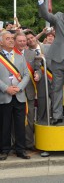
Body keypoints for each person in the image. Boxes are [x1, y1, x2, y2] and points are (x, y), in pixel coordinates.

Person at [0, 31, 30, 160]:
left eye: (12, 38)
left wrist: (19, 87)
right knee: (4, 125)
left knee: (19, 125)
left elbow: (26, 75)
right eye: (8, 38)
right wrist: (6, 88)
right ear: (1, 42)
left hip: (19, 95)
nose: (11, 40)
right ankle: (4, 150)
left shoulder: (20, 57)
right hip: (4, 95)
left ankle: (20, 150)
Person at [13, 32, 42, 150]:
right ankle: (15, 144)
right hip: (14, 92)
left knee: (30, 120)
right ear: (15, 41)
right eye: (19, 41)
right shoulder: (10, 55)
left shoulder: (32, 53)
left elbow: (38, 68)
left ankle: (29, 144)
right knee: (15, 120)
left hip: (28, 92)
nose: (22, 43)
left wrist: (38, 75)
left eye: (24, 41)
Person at [24, 30, 52, 121]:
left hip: (53, 78)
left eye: (31, 37)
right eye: (27, 39)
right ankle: (42, 122)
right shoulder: (26, 53)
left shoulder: (48, 47)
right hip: (38, 82)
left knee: (56, 102)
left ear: (35, 37)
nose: (30, 40)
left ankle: (54, 120)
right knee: (42, 103)